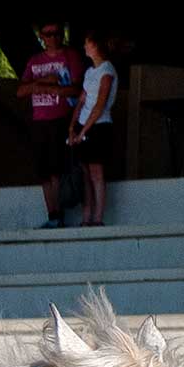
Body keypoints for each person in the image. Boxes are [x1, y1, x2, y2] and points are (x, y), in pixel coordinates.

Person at [18, 22, 86, 229]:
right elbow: (20, 91)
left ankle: (60, 213)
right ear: (42, 37)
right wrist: (45, 82)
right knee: (44, 172)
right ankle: (52, 213)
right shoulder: (34, 61)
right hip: (40, 121)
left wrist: (54, 89)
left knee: (58, 169)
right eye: (48, 34)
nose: (53, 38)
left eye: (57, 33)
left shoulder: (70, 57)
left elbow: (77, 89)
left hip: (61, 119)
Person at [66, 32, 120, 228]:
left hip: (99, 126)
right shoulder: (90, 72)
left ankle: (98, 218)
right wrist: (73, 127)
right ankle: (86, 217)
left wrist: (83, 131)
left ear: (97, 46)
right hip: (83, 125)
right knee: (86, 173)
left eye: (88, 44)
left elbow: (100, 104)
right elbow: (82, 101)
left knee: (97, 171)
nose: (85, 47)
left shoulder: (107, 69)